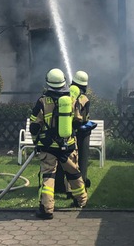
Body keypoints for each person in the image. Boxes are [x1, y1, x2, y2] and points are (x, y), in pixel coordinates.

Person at [29, 68, 87, 219]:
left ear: (48, 82)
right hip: (68, 145)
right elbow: (78, 120)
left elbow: (34, 126)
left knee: (48, 176)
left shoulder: (42, 101)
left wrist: (37, 142)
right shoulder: (71, 99)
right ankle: (81, 201)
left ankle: (46, 210)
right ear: (63, 82)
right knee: (74, 173)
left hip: (49, 147)